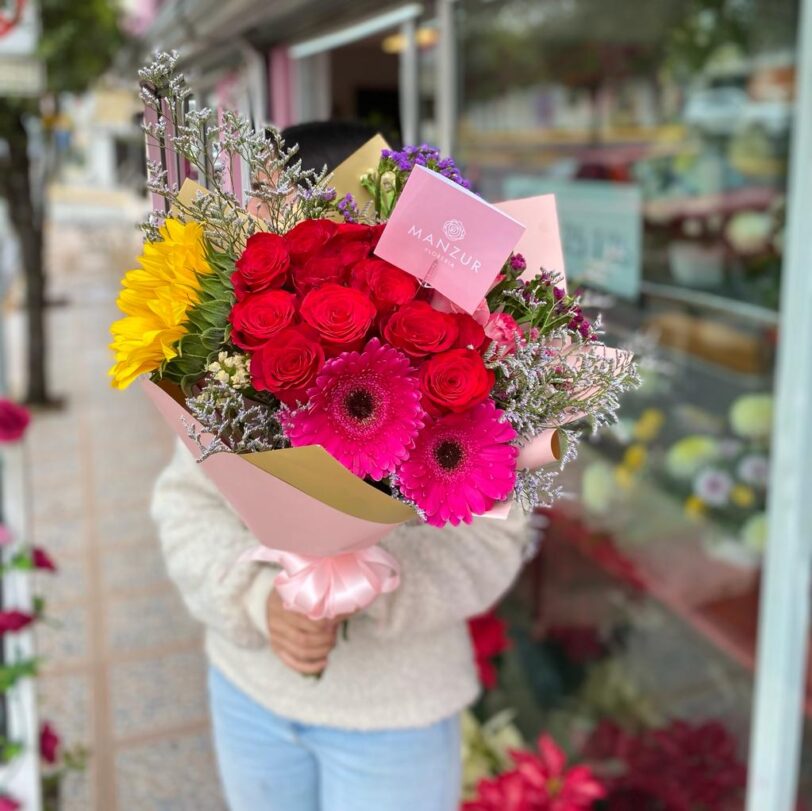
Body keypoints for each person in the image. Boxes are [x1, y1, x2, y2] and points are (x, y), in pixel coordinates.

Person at [151, 121, 532, 811]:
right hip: (248, 689)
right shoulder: (224, 368)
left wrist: (352, 589)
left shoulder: (477, 377)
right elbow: (185, 505)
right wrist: (263, 601)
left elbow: (492, 541)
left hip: (395, 716)